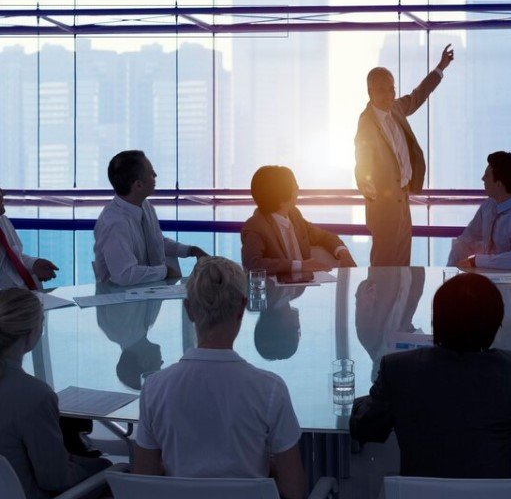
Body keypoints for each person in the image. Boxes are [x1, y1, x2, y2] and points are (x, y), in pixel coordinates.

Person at [133, 257, 305, 499]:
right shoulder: (269, 390)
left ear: (189, 309)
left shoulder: (155, 389)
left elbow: (143, 485)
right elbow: (294, 491)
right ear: (241, 307)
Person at [350, 272, 511, 478]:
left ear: (436, 323)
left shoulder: (400, 369)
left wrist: (379, 397)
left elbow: (366, 427)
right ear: (497, 326)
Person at [0, 287, 111, 499]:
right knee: (109, 468)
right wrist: (102, 468)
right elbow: (55, 480)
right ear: (34, 331)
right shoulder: (33, 395)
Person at [355, 44, 455, 266]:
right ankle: (380, 302)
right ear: (370, 92)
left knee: (402, 265)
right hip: (383, 205)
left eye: (392, 89)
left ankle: (398, 302)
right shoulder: (366, 123)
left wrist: (440, 67)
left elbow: (419, 95)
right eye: (382, 90)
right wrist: (365, 184)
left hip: (402, 199)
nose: (389, 94)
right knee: (384, 268)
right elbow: (361, 159)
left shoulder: (397, 108)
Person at [93, 150, 207, 286]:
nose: (155, 175)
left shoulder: (145, 206)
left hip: (145, 294)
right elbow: (125, 275)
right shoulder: (114, 222)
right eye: (151, 173)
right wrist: (165, 272)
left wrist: (190, 250)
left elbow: (156, 242)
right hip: (118, 301)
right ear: (138, 185)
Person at [241, 165, 356, 275]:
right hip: (277, 293)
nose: (298, 189)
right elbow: (253, 264)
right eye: (294, 186)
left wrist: (343, 252)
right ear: (282, 198)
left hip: (305, 288)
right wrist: (300, 266)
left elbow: (324, 236)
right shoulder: (255, 226)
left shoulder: (294, 215)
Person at [447, 151, 511, 270]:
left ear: (498, 184)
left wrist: (477, 261)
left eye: (487, 175)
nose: (482, 178)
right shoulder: (488, 206)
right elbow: (467, 239)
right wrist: (451, 273)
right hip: (490, 277)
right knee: (459, 246)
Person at [0, 187, 58, 290]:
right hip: (8, 301)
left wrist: (33, 264)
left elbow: (13, 257)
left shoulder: (3, 220)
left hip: (25, 295)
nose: (2, 193)